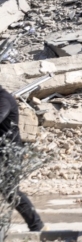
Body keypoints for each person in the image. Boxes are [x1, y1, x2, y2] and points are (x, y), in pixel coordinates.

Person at [0, 86, 44, 232]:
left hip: (10, 153)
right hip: (3, 151)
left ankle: (37, 226)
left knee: (10, 190)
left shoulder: (3, 100)